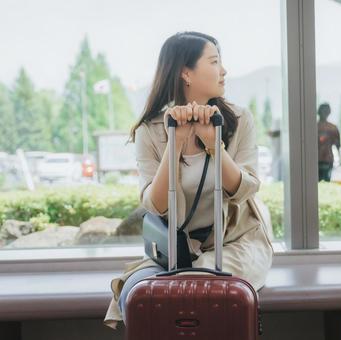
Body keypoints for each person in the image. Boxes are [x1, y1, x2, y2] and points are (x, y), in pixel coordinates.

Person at [103, 31, 274, 330]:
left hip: (236, 241)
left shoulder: (238, 119)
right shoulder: (151, 129)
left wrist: (214, 144)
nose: (224, 70)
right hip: (179, 249)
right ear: (186, 72)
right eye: (214, 61)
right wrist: (175, 143)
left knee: (192, 289)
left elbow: (246, 188)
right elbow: (154, 204)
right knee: (140, 293)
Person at [317, 103, 341, 182]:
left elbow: (338, 144)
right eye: (323, 111)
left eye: (326, 111)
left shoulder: (332, 128)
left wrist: (339, 159)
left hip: (327, 159)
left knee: (325, 181)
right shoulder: (314, 127)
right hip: (316, 159)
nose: (325, 113)